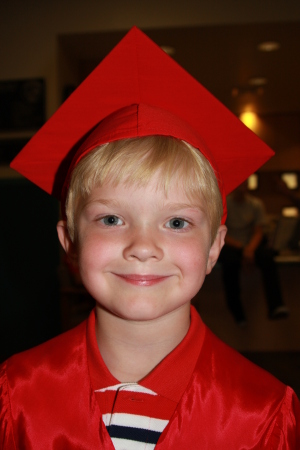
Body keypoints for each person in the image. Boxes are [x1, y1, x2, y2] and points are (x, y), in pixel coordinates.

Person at [1, 27, 299, 449]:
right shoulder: (17, 394)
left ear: (215, 247)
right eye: (110, 219)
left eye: (177, 223)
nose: (142, 246)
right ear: (69, 242)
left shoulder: (264, 414)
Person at [218, 181, 290, 324]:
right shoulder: (224, 205)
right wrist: (242, 249)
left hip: (250, 245)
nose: (241, 187)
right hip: (231, 245)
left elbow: (258, 231)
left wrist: (250, 249)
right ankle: (237, 312)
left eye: (244, 184)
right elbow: (220, 232)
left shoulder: (256, 204)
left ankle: (276, 306)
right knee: (230, 265)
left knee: (268, 259)